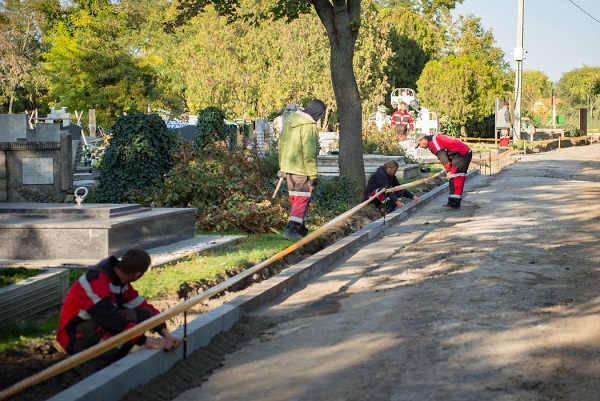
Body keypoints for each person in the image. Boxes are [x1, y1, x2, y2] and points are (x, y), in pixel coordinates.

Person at [56, 249, 181, 376]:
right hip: (73, 337)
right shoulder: (95, 281)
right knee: (128, 318)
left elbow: (145, 307)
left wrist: (166, 334)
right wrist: (149, 342)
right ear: (138, 275)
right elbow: (111, 320)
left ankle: (113, 360)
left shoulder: (121, 283)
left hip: (94, 328)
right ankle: (92, 365)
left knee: (145, 314)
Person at [278, 98, 326, 241]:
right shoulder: (309, 126)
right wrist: (313, 174)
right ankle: (292, 228)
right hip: (301, 169)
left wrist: (282, 166)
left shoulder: (290, 121)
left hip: (289, 167)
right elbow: (309, 152)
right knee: (301, 199)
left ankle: (300, 226)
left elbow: (281, 144)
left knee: (296, 198)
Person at [415, 132, 472, 209]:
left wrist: (448, 171)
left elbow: (443, 156)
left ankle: (453, 204)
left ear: (423, 139)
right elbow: (440, 156)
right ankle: (454, 202)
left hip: (461, 154)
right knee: (454, 178)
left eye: (419, 144)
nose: (420, 147)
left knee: (455, 178)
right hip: (459, 154)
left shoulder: (433, 142)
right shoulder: (432, 142)